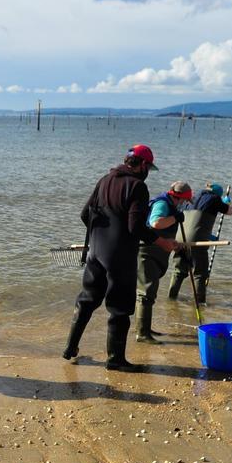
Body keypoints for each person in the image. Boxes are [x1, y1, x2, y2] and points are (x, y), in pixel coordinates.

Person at [64, 145, 181, 371]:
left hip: (95, 253)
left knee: (87, 300)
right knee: (119, 309)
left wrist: (100, 236)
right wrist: (162, 242)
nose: (148, 173)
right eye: (149, 168)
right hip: (119, 257)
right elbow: (136, 227)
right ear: (143, 165)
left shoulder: (104, 180)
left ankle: (70, 348)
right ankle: (115, 360)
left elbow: (84, 214)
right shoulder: (137, 186)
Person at [135, 181, 192, 344]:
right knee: (146, 292)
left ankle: (146, 328)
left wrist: (174, 243)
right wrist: (175, 218)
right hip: (147, 252)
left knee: (150, 291)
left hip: (156, 252)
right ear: (179, 198)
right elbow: (156, 223)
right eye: (185, 201)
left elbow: (163, 233)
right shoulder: (162, 204)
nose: (185, 205)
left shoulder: (171, 205)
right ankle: (142, 334)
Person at [168, 182, 232, 304]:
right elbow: (230, 212)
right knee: (200, 273)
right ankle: (200, 303)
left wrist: (208, 236)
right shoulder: (214, 198)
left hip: (179, 238)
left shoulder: (191, 198)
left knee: (179, 271)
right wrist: (226, 203)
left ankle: (171, 298)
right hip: (197, 243)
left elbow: (193, 223)